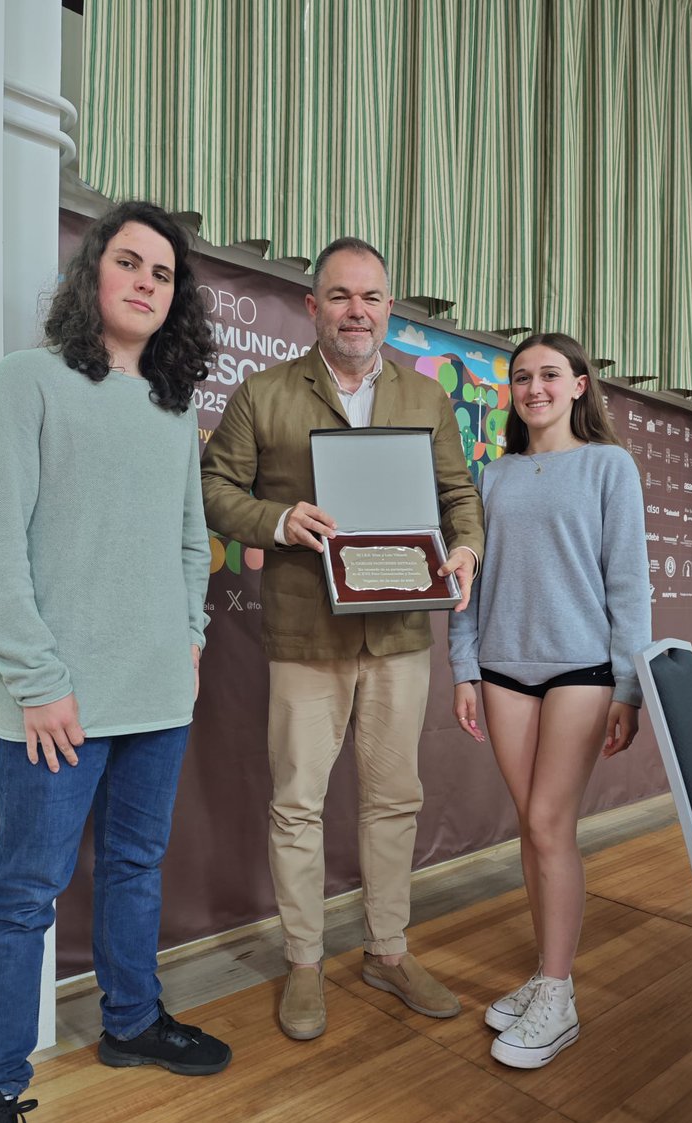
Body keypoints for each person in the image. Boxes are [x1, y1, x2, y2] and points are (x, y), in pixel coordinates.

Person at [0, 200, 231, 1123]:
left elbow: (193, 544)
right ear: (92, 276)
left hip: (158, 697)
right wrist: (38, 680)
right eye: (131, 262)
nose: (148, 281)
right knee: (23, 896)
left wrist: (192, 640)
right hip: (57, 706)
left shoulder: (172, 408)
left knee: (135, 867)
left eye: (164, 273)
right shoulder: (26, 383)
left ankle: (130, 1021)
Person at [200, 237, 484, 1041]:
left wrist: (465, 549)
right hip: (304, 634)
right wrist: (278, 519)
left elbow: (459, 494)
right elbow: (214, 488)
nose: (357, 311)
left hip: (400, 632)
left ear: (390, 308)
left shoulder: (425, 399)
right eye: (340, 296)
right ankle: (303, 961)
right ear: (312, 305)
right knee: (297, 803)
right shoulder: (263, 393)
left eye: (372, 297)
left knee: (395, 800)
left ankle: (388, 952)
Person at [449, 332, 651, 1070]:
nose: (534, 387)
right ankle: (544, 971)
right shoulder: (493, 475)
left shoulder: (609, 466)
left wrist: (630, 686)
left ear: (579, 386)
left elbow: (629, 584)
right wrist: (463, 670)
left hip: (582, 670)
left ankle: (559, 995)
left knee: (547, 822)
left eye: (549, 375)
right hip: (502, 668)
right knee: (532, 833)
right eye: (522, 377)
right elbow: (464, 583)